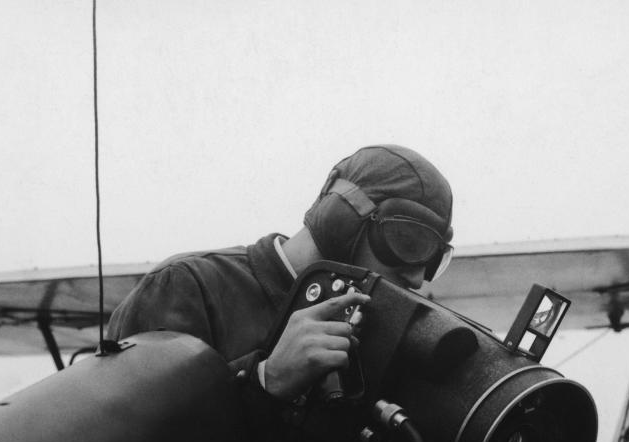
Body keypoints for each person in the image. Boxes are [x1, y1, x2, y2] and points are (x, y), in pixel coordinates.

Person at [108, 144, 454, 405]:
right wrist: (265, 379)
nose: (418, 276)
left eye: (435, 256)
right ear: (343, 214)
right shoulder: (187, 287)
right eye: (409, 241)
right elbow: (130, 440)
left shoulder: (368, 329)